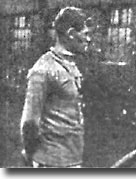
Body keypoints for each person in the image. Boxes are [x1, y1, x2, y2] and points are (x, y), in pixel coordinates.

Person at [20, 7, 94, 168]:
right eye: (86, 34)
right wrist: (30, 154)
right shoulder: (43, 69)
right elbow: (29, 123)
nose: (89, 39)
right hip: (51, 163)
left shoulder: (70, 65)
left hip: (72, 160)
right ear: (71, 33)